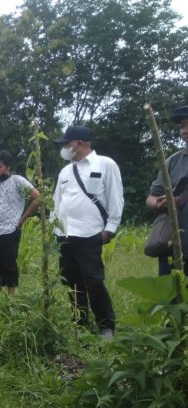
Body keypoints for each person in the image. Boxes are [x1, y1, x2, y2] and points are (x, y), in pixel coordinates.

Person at [51, 125, 124, 339]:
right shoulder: (65, 170)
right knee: (71, 281)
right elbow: (57, 201)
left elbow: (115, 198)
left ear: (79, 143)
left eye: (66, 143)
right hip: (65, 235)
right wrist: (55, 230)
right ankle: (80, 323)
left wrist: (110, 229)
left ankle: (106, 326)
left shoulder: (105, 164)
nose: (64, 148)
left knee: (93, 281)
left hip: (90, 233)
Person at [0, 150, 40, 294]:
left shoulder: (18, 181)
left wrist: (21, 220)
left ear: (7, 167)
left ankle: (11, 297)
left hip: (9, 229)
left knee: (9, 263)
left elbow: (37, 197)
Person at [146, 104, 188, 275]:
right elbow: (151, 197)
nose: (184, 131)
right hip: (173, 246)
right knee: (171, 298)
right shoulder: (172, 161)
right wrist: (159, 203)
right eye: (182, 126)